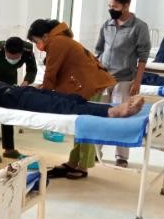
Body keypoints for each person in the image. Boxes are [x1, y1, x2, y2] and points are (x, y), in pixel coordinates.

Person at [26, 19, 116, 179]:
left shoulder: (57, 42)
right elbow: (60, 71)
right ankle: (73, 162)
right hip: (86, 83)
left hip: (90, 84)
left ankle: (83, 166)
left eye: (36, 41)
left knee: (86, 126)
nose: (37, 45)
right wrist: (45, 87)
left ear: (45, 36)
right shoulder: (60, 39)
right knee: (79, 125)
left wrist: (44, 95)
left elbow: (51, 72)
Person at [95, 0, 151, 168]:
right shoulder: (107, 25)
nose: (111, 9)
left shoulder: (139, 27)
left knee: (122, 117)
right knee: (101, 115)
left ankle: (122, 156)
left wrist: (137, 81)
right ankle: (96, 152)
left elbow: (143, 57)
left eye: (115, 6)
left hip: (125, 79)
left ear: (126, 5)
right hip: (104, 78)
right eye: (109, 6)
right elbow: (99, 50)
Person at [0, 37, 38, 163]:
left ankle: (9, 149)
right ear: (5, 50)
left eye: (15, 58)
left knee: (8, 114)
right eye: (9, 57)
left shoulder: (28, 50)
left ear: (21, 53)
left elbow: (32, 69)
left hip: (10, 79)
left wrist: (25, 83)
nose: (12, 60)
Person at [0, 79, 144, 118]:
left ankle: (113, 107)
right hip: (12, 99)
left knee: (71, 98)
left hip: (17, 90)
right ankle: (113, 111)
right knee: (61, 106)